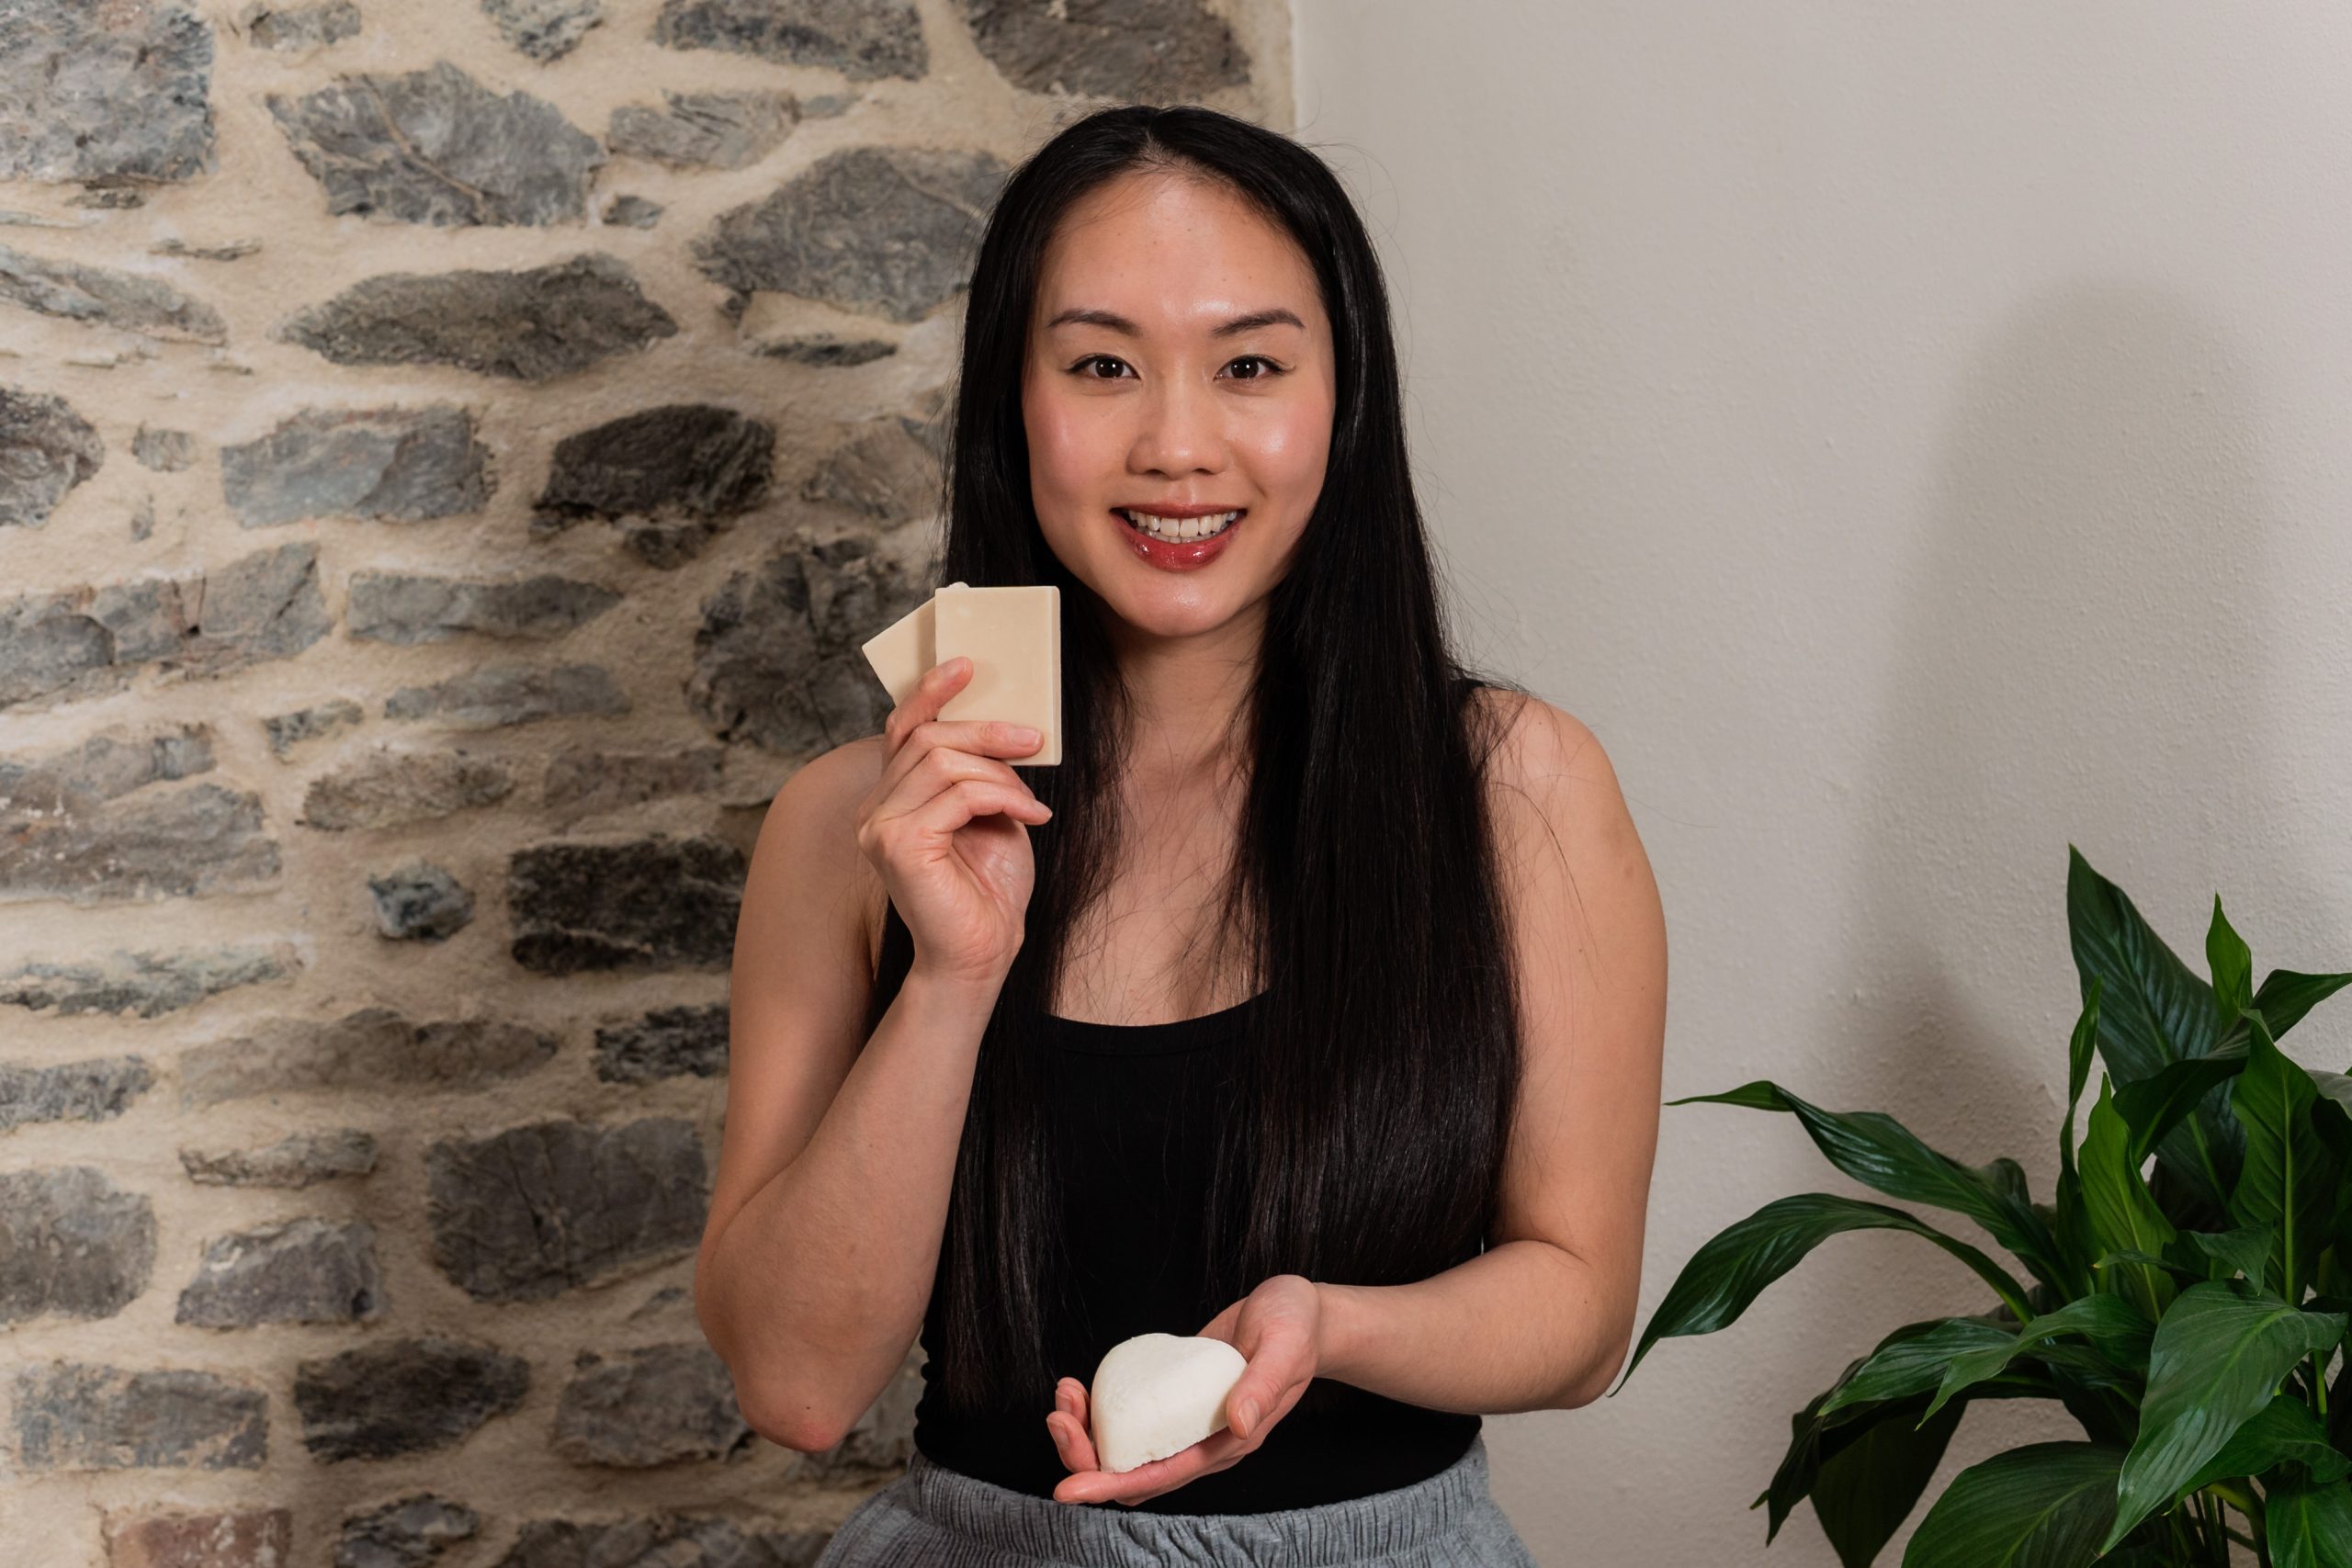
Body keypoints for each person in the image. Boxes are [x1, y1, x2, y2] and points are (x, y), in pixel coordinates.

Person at [695, 101, 1668, 1566]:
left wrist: (1327, 1326)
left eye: (1250, 366)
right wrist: (955, 980)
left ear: (1345, 402)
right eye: (1101, 367)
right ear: (1010, 404)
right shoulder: (849, 826)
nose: (1177, 445)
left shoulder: (1515, 785)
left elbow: (1582, 1315)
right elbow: (797, 1384)